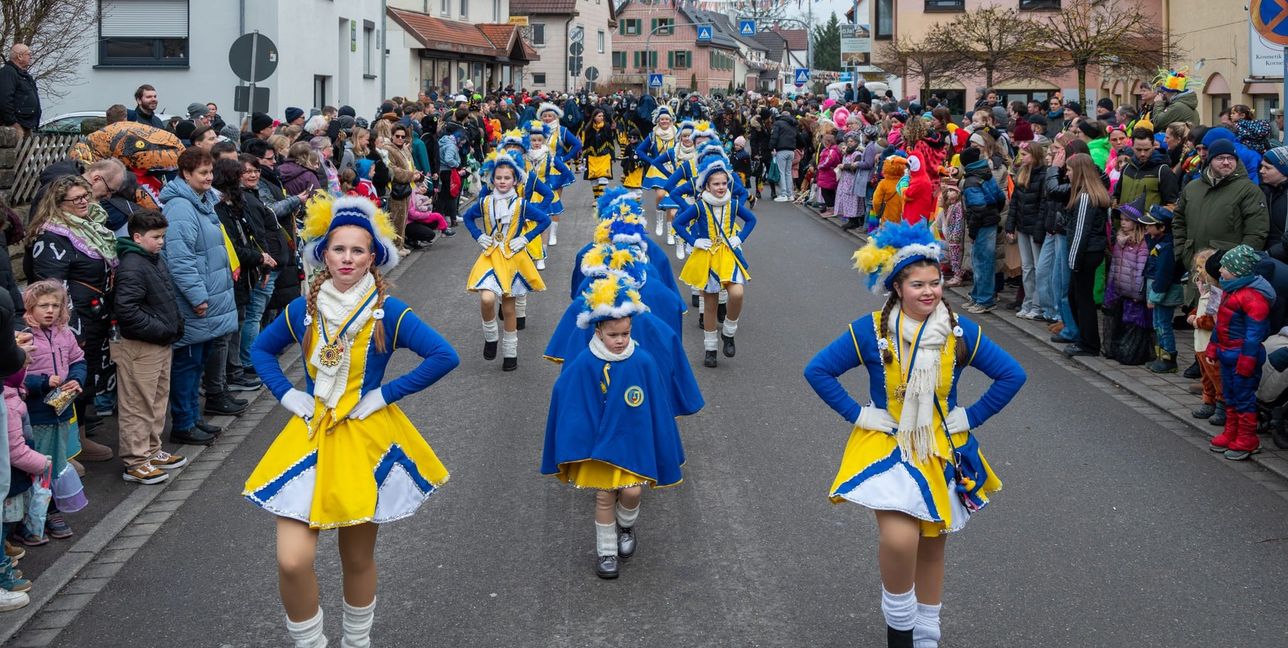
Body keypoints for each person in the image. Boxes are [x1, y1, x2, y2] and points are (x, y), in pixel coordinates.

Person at [244, 192, 459, 648]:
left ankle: (356, 642)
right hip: (310, 432)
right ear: (323, 252)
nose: (347, 258)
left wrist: (385, 393)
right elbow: (260, 349)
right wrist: (286, 395)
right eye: (338, 248)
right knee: (292, 560)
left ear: (373, 257)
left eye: (358, 250)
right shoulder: (303, 308)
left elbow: (444, 355)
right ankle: (311, 643)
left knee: (356, 558)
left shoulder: (390, 311)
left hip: (365, 438)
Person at [805, 220, 1025, 648]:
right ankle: (899, 625)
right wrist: (858, 414)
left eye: (936, 282)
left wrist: (971, 417)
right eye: (918, 284)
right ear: (897, 289)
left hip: (940, 448)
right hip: (887, 444)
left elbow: (1011, 375)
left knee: (931, 545)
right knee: (899, 537)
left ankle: (925, 634)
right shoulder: (870, 330)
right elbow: (818, 370)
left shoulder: (959, 331)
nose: (929, 291)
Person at [541, 275, 689, 579]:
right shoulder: (584, 362)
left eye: (625, 333)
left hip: (632, 443)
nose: (620, 340)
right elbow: (566, 396)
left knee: (632, 492)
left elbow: (657, 408)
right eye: (613, 335)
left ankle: (626, 525)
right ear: (598, 331)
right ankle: (606, 552)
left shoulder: (643, 361)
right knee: (604, 495)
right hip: (599, 446)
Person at [22, 175, 116, 463]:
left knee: (83, 380)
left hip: (95, 316)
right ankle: (65, 451)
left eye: (86, 195)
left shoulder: (90, 228)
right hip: (70, 322)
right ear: (58, 203)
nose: (85, 201)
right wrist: (67, 326)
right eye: (77, 199)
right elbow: (52, 287)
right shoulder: (51, 236)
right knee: (62, 382)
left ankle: (81, 440)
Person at [161, 147, 238, 446]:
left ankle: (194, 418)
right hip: (196, 301)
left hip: (210, 297)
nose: (208, 178)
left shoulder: (204, 201)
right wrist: (197, 297)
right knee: (187, 364)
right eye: (202, 173)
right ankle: (183, 422)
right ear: (185, 174)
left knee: (198, 361)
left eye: (210, 172)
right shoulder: (180, 208)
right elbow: (180, 260)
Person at [113, 210, 187, 484]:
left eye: (163, 237)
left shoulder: (151, 259)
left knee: (156, 399)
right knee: (137, 403)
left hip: (158, 341)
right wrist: (162, 329)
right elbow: (127, 309)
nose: (161, 242)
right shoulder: (133, 265)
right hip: (141, 345)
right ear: (137, 237)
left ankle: (152, 450)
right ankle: (135, 460)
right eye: (156, 237)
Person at [463, 151, 550, 371]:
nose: (502, 181)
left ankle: (510, 354)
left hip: (512, 257)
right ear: (492, 179)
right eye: (498, 178)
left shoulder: (521, 204)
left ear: (515, 180)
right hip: (491, 255)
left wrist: (525, 238)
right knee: (486, 298)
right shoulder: (484, 202)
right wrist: (478, 235)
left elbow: (544, 220)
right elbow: (467, 217)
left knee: (509, 308)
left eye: (507, 178)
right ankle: (491, 336)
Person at [18, 280, 85, 543]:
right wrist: (43, 382)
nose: (50, 311)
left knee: (57, 462)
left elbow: (77, 359)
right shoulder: (23, 337)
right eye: (43, 305)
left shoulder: (64, 333)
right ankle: (40, 514)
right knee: (38, 463)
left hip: (62, 409)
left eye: (55, 305)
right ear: (30, 307)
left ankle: (50, 507)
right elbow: (17, 376)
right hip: (36, 411)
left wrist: (77, 378)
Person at [673, 157, 755, 368]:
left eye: (723, 183)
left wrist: (740, 238)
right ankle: (710, 349)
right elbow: (678, 223)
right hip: (707, 256)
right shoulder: (700, 206)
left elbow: (751, 220)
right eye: (716, 184)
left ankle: (729, 332)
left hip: (728, 254)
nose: (720, 187)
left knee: (737, 293)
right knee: (709, 304)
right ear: (707, 186)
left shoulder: (734, 204)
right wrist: (694, 240)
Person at [1206, 245, 1275, 460]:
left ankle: (1247, 438)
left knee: (1244, 398)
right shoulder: (1231, 290)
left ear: (1238, 271)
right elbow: (1221, 326)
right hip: (1228, 355)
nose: (1220, 271)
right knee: (1230, 395)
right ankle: (1232, 432)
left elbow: (1254, 335)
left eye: (1225, 267)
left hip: (1242, 357)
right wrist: (1213, 346)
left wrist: (1246, 362)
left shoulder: (1253, 298)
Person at [1060, 153, 1112, 357]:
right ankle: (1085, 339)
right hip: (1092, 251)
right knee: (1079, 296)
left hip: (1085, 253)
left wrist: (1073, 261)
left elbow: (1081, 231)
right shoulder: (1095, 194)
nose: (1067, 174)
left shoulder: (1084, 197)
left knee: (1082, 299)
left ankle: (1089, 343)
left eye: (1070, 170)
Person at [960, 148, 1007, 314]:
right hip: (991, 221)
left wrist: (973, 230)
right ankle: (977, 295)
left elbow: (977, 208)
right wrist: (994, 213)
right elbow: (1000, 198)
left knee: (982, 262)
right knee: (982, 261)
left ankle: (985, 300)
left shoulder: (971, 181)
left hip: (981, 224)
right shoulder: (986, 173)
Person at [0, 44, 39, 136]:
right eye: (28, 54)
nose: (31, 57)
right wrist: (12, 123)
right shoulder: (8, 73)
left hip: (25, 124)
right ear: (19, 56)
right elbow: (4, 100)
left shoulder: (23, 75)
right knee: (16, 150)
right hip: (16, 126)